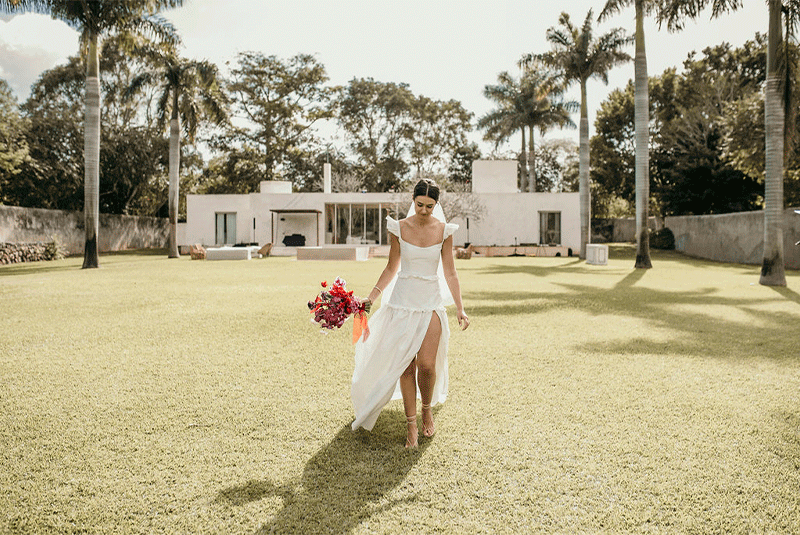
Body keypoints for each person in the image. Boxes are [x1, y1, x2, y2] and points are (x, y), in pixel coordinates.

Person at [350, 178, 470, 448]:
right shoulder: (399, 228)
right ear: (412, 201)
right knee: (406, 365)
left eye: (429, 206)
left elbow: (450, 271)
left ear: (436, 204)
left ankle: (426, 409)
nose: (424, 210)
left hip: (430, 302)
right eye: (419, 205)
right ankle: (411, 424)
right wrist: (371, 297)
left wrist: (460, 309)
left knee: (426, 365)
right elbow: (392, 267)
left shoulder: (444, 231)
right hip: (402, 302)